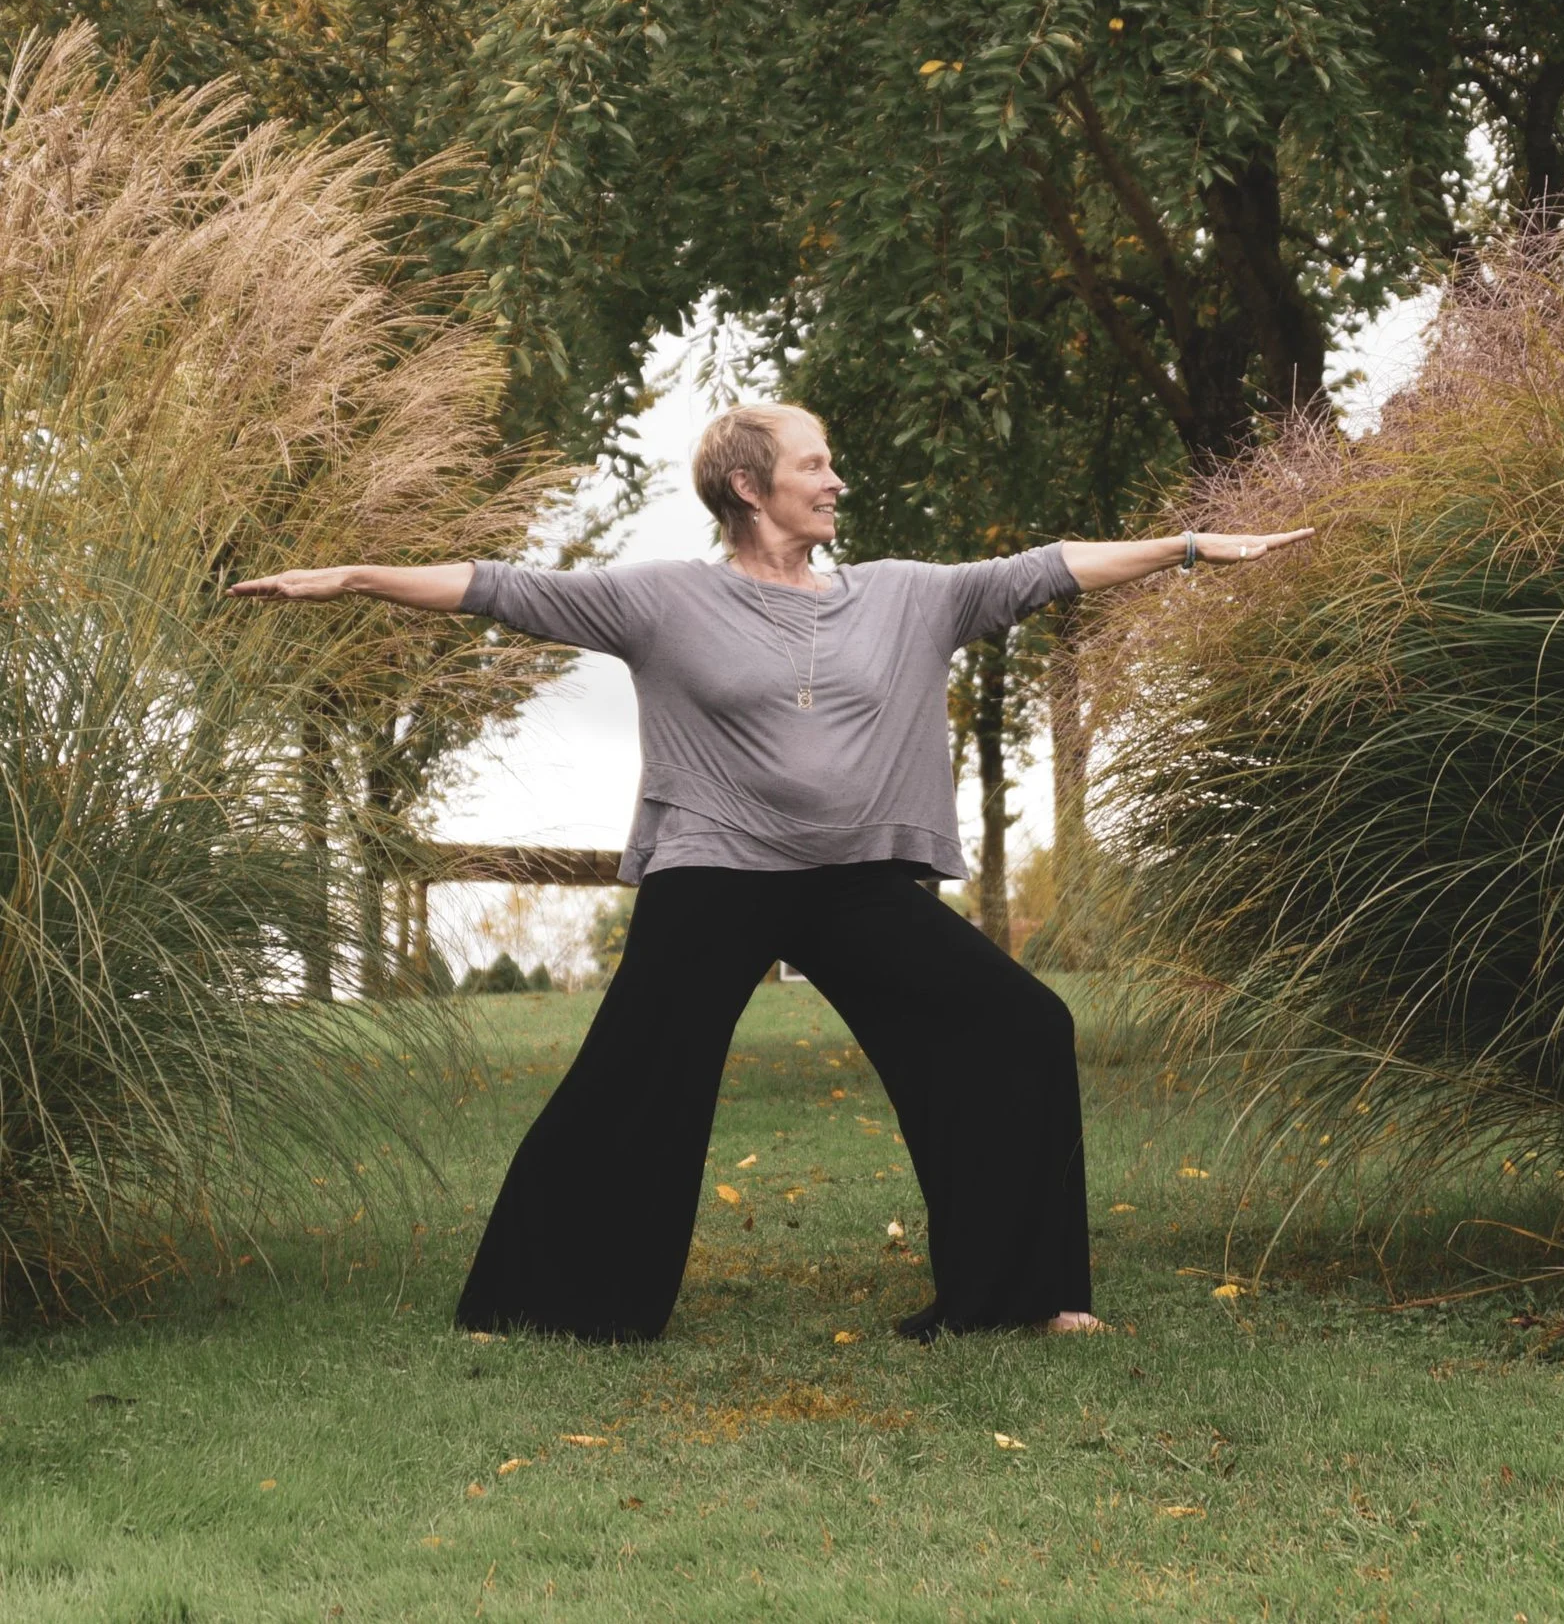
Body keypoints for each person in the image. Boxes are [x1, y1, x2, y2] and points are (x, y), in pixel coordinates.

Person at [230, 401, 1312, 1343]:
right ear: (749, 486)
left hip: (855, 883)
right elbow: (500, 588)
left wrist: (1186, 545)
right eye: (814, 463)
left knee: (1018, 1024)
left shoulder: (905, 594)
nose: (836, 477)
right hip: (716, 869)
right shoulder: (659, 599)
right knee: (636, 1071)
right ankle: (550, 1299)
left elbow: (1050, 567)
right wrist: (358, 577)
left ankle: (1021, 1293)